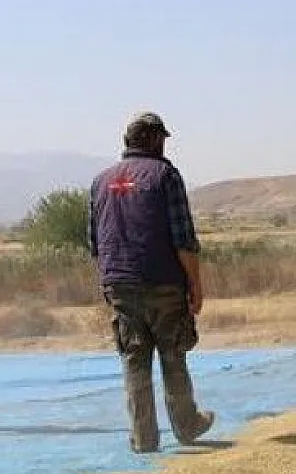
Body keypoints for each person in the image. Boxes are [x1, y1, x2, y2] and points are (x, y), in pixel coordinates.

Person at [88, 112, 216, 453]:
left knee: (134, 359)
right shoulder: (165, 175)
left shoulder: (100, 182)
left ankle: (143, 438)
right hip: (161, 282)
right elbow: (182, 238)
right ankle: (187, 425)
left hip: (119, 283)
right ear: (154, 139)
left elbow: (96, 244)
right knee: (172, 355)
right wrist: (196, 285)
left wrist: (108, 283)